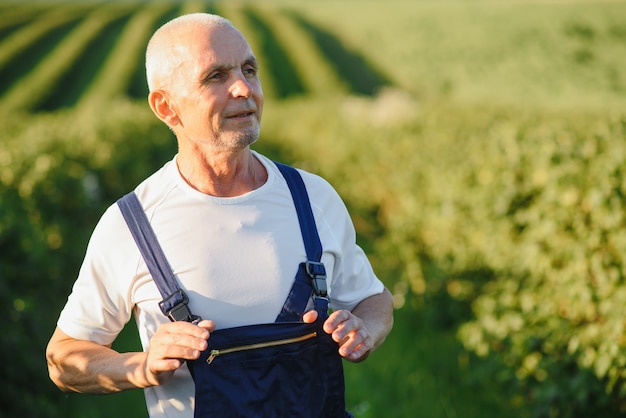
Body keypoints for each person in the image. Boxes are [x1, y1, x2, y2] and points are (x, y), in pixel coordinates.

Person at [46, 13, 394, 417]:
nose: (244, 88)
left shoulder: (312, 197)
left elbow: (373, 297)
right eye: (215, 76)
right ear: (166, 106)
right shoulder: (132, 224)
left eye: (249, 69)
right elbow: (64, 358)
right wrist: (139, 366)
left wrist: (365, 328)